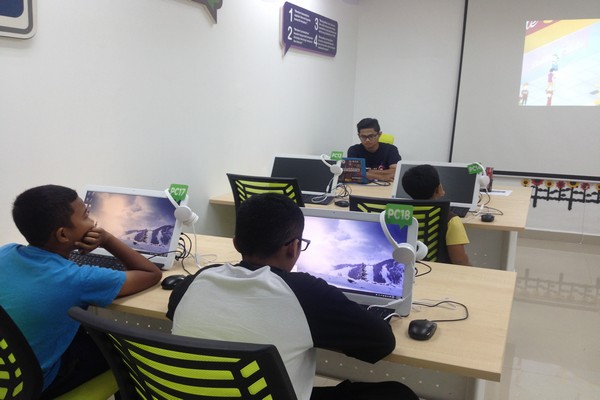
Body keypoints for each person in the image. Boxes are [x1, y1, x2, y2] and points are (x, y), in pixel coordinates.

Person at [167, 193, 418, 400]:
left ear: (235, 243)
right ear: (294, 247)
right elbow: (382, 343)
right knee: (398, 394)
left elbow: (173, 307)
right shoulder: (305, 293)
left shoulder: (197, 281)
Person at [0, 184, 162, 398]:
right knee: (119, 348)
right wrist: (107, 239)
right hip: (33, 386)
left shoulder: (5, 252)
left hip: (7, 377)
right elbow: (150, 273)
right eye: (86, 215)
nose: (93, 222)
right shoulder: (77, 279)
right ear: (63, 234)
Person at [401, 164, 471, 265]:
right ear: (438, 189)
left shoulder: (397, 214)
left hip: (404, 268)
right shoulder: (451, 220)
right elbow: (459, 260)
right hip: (435, 271)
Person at [347, 117, 401, 182]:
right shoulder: (354, 150)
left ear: (379, 134)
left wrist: (367, 172)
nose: (367, 140)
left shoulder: (391, 149)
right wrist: (382, 177)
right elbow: (352, 173)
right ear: (359, 136)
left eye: (371, 136)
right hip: (362, 186)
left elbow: (396, 172)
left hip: (386, 186)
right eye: (363, 136)